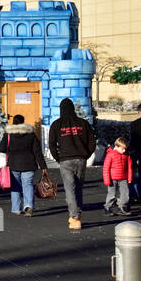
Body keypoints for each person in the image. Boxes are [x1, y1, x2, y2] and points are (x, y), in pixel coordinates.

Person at [47, 98, 96, 231]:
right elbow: (92, 142)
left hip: (65, 160)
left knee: (70, 190)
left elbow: (51, 144)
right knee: (78, 188)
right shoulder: (83, 123)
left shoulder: (56, 124)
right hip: (81, 159)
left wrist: (58, 158)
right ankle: (76, 214)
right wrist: (86, 155)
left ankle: (74, 217)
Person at [0, 113, 46, 216]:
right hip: (29, 164)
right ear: (23, 122)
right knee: (28, 185)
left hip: (13, 164)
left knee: (15, 186)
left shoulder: (9, 134)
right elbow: (37, 151)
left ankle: (16, 208)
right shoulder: (30, 134)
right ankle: (29, 206)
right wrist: (43, 166)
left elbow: (1, 148)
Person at [102, 137, 133, 217]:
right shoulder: (110, 154)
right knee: (111, 194)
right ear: (117, 146)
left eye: (125, 149)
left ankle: (123, 207)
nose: (124, 151)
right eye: (123, 149)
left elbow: (129, 167)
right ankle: (107, 207)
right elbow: (106, 168)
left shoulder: (126, 155)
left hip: (124, 178)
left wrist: (129, 178)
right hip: (113, 178)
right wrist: (107, 179)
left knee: (125, 194)